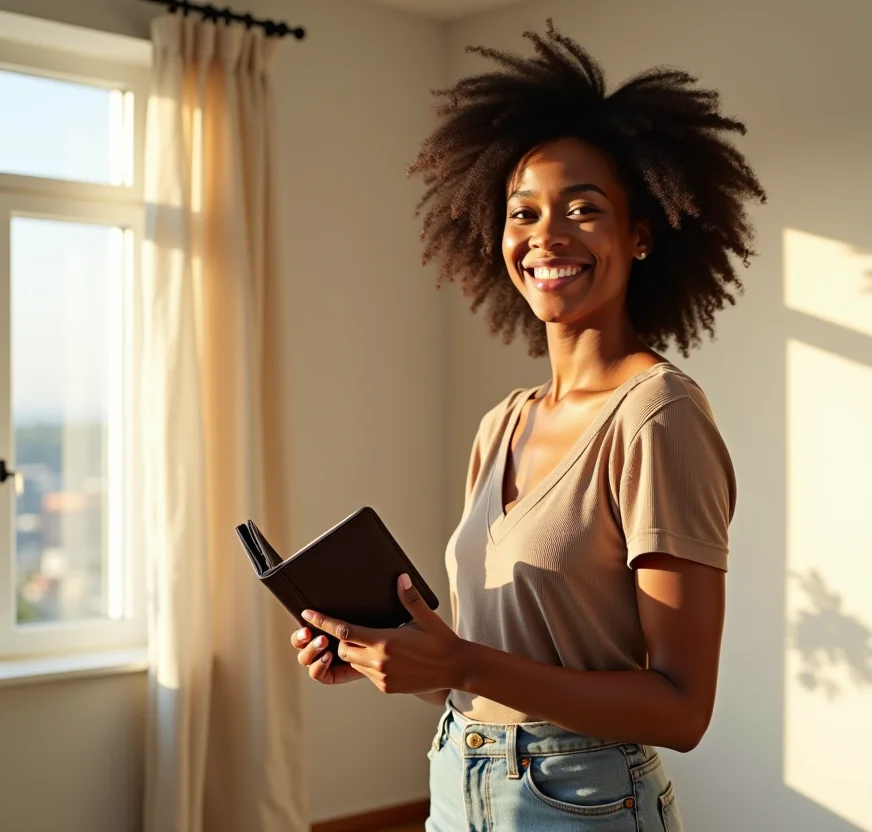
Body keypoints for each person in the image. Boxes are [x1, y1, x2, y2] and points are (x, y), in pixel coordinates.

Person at [289, 20, 765, 831]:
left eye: (583, 208)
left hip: (580, 798)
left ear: (640, 234)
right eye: (523, 212)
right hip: (457, 774)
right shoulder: (503, 423)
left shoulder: (658, 416)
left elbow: (683, 711)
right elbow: (504, 660)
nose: (546, 235)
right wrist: (401, 662)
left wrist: (462, 660)